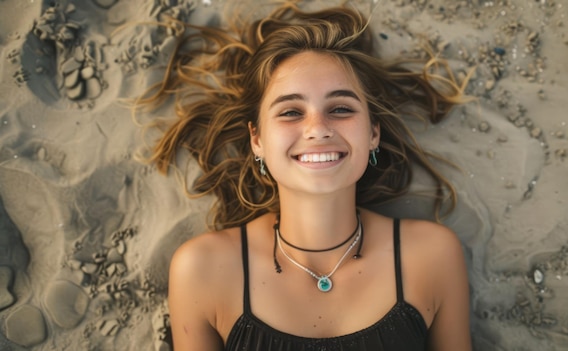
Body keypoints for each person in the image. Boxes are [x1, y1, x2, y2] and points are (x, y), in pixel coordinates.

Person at [137, 1, 471, 350]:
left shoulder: (433, 256)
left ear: (373, 133)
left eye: (340, 109)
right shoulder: (202, 269)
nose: (318, 129)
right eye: (291, 111)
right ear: (258, 140)